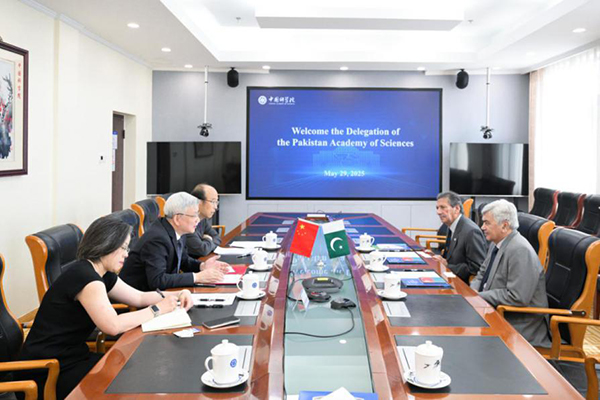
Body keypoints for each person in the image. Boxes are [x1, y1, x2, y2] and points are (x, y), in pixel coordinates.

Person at [17, 216, 194, 400]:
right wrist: (156, 310)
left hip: (72, 357)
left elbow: (139, 297)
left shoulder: (102, 273)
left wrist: (178, 294)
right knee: (131, 382)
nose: (127, 254)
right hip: (48, 370)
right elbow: (113, 325)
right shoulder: (85, 278)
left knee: (136, 372)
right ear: (106, 244)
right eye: (123, 248)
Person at [471, 199, 551, 347]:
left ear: (504, 225)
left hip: (520, 323)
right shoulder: (496, 243)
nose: (482, 227)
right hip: (493, 309)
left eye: (487, 223)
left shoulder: (520, 250)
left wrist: (479, 296)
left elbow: (517, 297)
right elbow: (482, 272)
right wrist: (472, 291)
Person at [120, 192, 228, 291]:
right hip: (135, 299)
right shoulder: (157, 239)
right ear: (177, 219)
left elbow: (183, 260)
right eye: (194, 215)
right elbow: (157, 281)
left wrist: (202, 266)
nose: (198, 220)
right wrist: (197, 277)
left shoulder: (177, 231)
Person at [431, 191, 487, 283]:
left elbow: (477, 267)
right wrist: (441, 259)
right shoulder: (451, 225)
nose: (438, 212)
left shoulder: (471, 231)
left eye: (443, 207)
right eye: (437, 208)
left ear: (456, 208)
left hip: (461, 283)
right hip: (449, 277)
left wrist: (448, 265)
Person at [185, 183, 222, 257]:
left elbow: (217, 238)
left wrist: (206, 242)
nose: (215, 207)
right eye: (213, 202)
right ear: (199, 202)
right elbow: (202, 250)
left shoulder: (202, 219)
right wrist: (208, 239)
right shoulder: (186, 221)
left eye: (216, 202)